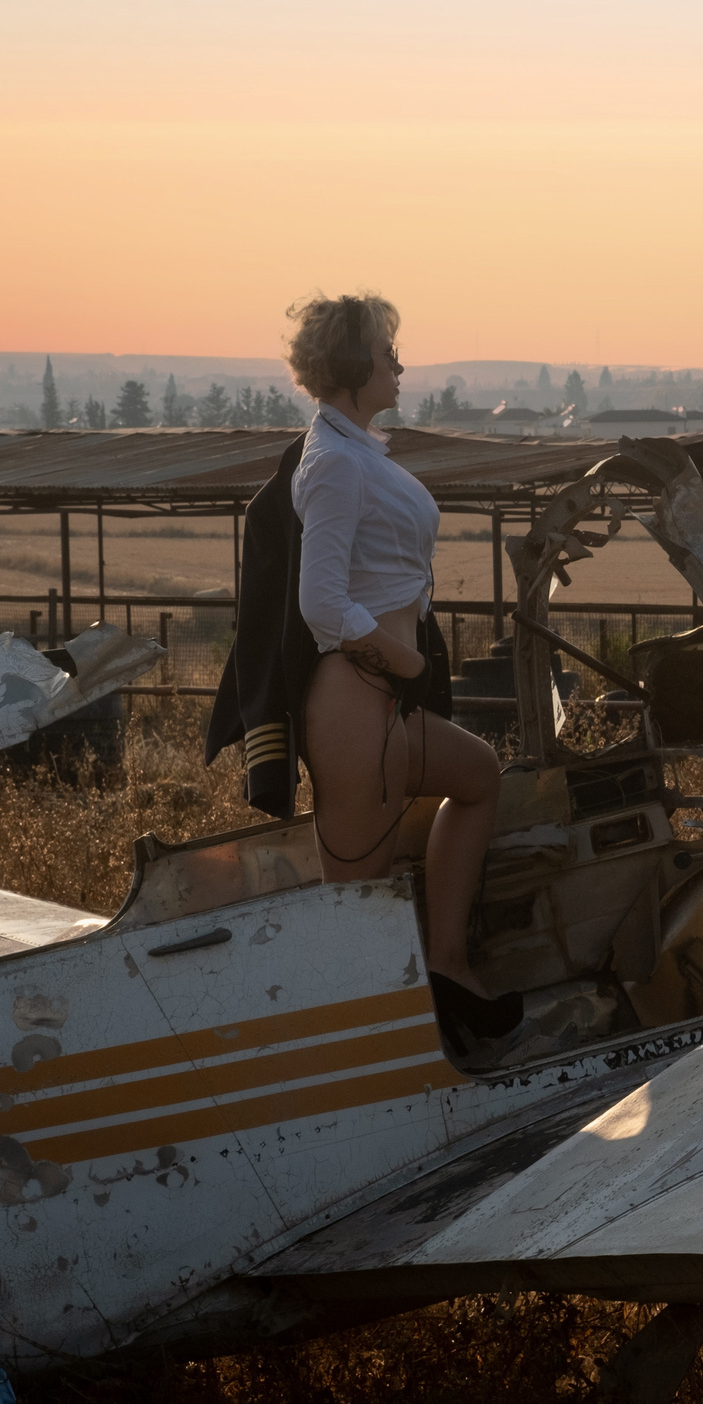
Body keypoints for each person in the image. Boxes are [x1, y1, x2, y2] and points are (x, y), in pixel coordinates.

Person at [206, 293, 513, 1045]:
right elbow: (320, 602)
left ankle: (445, 965)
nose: (399, 365)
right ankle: (368, 1055)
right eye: (387, 354)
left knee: (480, 778)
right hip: (355, 708)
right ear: (352, 367)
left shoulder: (356, 450)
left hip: (384, 705)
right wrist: (401, 654)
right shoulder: (336, 465)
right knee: (356, 908)